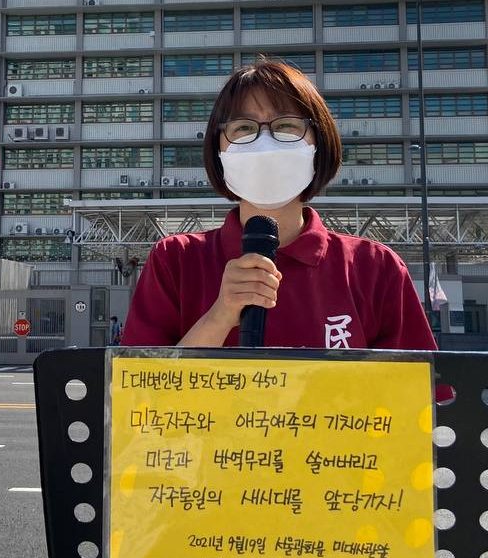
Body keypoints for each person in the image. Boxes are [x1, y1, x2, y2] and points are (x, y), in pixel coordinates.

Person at [122, 60, 435, 350]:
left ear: (319, 143)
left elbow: (421, 386)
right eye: (243, 128)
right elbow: (137, 384)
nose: (265, 144)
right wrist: (220, 316)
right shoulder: (175, 260)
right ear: (218, 150)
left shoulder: (375, 268)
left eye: (286, 126)